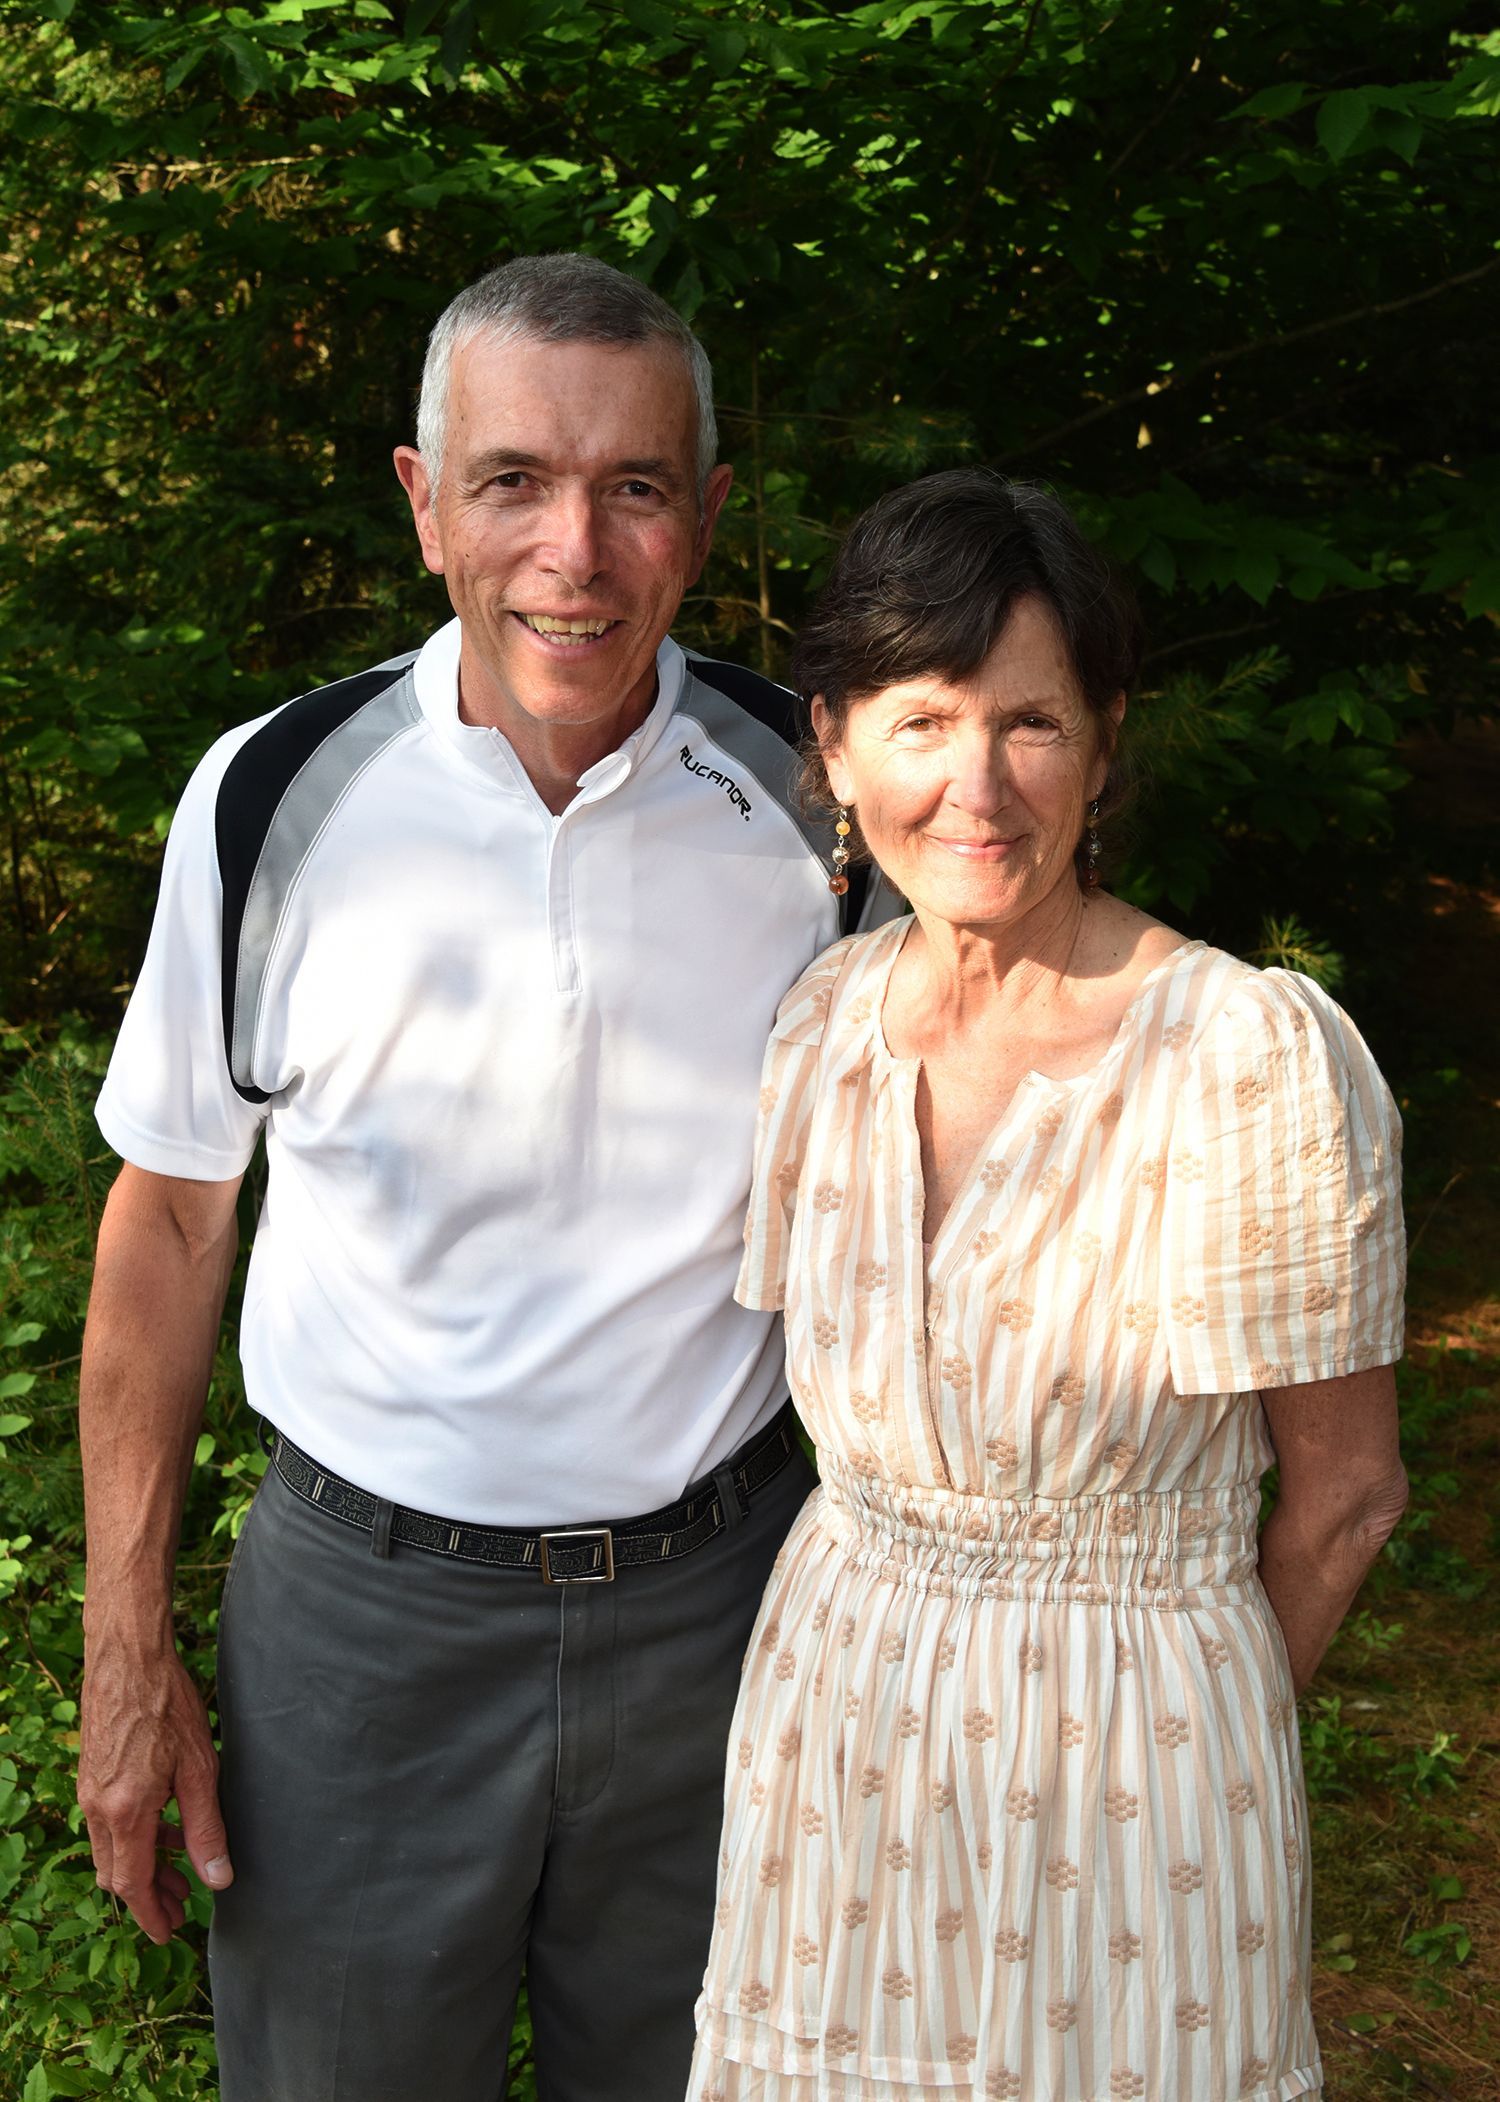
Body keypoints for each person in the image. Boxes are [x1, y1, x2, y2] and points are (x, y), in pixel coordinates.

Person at [76, 251, 895, 2102]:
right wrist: (126, 1640)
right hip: (363, 1635)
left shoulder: (827, 808)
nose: (574, 553)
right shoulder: (274, 795)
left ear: (708, 511)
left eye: (634, 485)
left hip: (730, 1612)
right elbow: (174, 1214)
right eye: (515, 479)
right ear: (422, 500)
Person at [688, 470, 1409, 2102]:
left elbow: (1347, 1498)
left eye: (1031, 721)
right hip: (838, 1746)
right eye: (924, 719)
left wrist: (1171, 1718)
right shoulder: (820, 1028)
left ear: (1103, 739)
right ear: (833, 741)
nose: (978, 784)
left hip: (1137, 1780)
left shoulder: (1245, 1056)